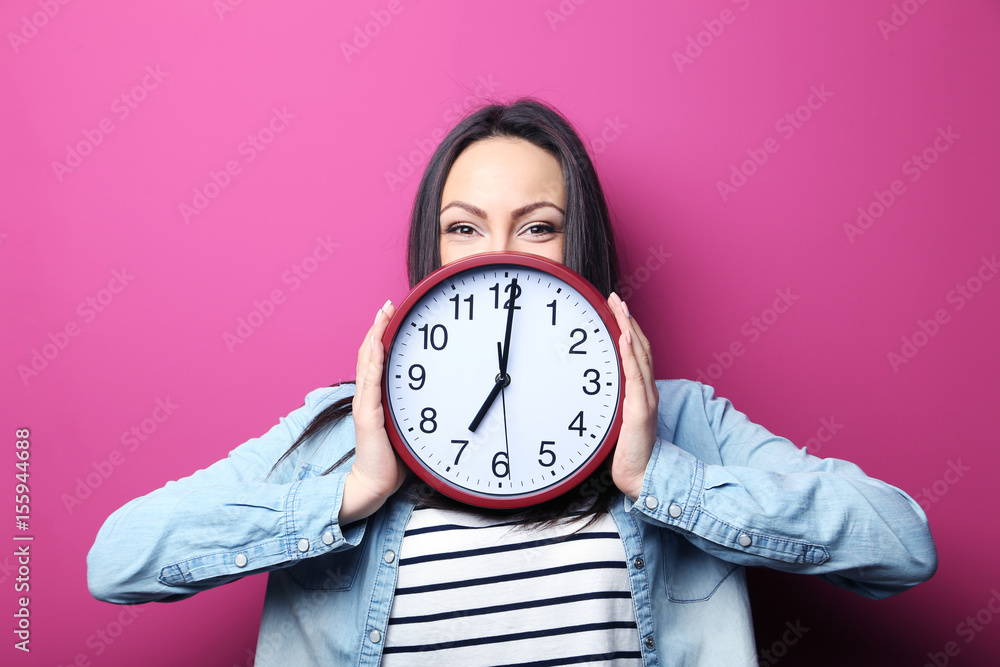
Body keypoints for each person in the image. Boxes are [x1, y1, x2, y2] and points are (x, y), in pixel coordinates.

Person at [87, 98, 937, 666]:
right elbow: (118, 559)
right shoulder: (343, 435)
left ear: (582, 250)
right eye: (465, 228)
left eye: (537, 226)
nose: (498, 255)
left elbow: (903, 545)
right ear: (434, 253)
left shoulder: (681, 422)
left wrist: (659, 478)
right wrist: (351, 490)